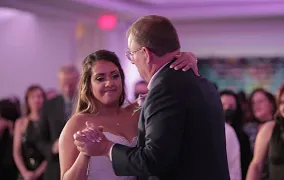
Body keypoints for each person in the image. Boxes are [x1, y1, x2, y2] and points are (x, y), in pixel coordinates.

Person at [73, 15, 229, 180]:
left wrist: (105, 147)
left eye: (132, 54)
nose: (133, 61)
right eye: (100, 78)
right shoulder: (204, 83)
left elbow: (154, 160)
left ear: (145, 53)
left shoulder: (164, 90)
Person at [59, 49, 199, 180]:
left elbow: (168, 88)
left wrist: (186, 57)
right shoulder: (77, 123)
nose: (109, 83)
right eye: (100, 78)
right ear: (88, 85)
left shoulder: (138, 111)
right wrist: (85, 153)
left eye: (115, 76)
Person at [38, 65, 79, 180]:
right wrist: (51, 148)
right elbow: (40, 139)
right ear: (59, 82)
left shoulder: (88, 104)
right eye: (64, 84)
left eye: (71, 84)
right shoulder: (48, 106)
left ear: (78, 81)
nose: (67, 88)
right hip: (55, 167)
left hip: (82, 166)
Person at [13, 85, 47, 180]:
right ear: (27, 100)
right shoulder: (21, 123)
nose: (36, 100)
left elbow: (50, 150)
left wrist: (38, 172)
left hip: (45, 172)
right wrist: (25, 172)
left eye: (39, 96)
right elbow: (17, 152)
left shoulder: (49, 122)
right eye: (32, 97)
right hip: (25, 172)